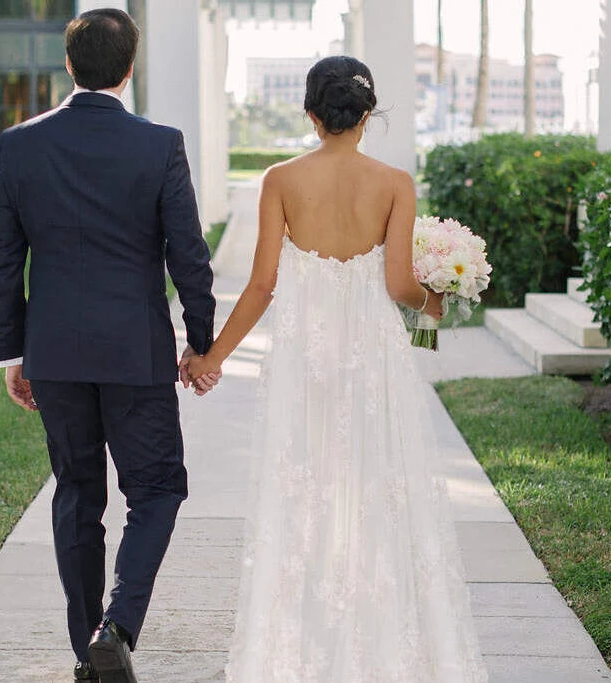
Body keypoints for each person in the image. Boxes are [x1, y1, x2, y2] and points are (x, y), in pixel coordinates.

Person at [186, 56, 488, 682]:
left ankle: (301, 651)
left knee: (305, 492)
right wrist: (441, 301)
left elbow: (263, 284)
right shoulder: (396, 183)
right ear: (368, 115)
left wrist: (213, 356)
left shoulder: (280, 180)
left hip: (308, 363)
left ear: (311, 113)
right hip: (372, 362)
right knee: (375, 489)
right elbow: (401, 284)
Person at [0, 9, 219, 682]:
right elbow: (189, 258)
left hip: (53, 354)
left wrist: (12, 353)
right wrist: (201, 344)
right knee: (158, 488)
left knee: (77, 494)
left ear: (69, 67)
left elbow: (2, 260)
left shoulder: (19, 146)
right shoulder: (159, 144)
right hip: (136, 353)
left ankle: (89, 647)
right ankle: (116, 627)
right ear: (129, 70)